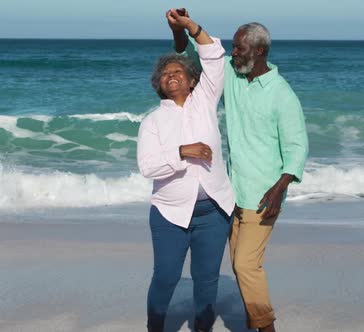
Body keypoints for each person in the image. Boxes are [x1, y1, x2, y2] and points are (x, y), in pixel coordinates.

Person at [172, 10, 309, 332]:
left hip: (264, 194)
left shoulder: (281, 94)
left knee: (246, 265)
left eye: (240, 48)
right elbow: (191, 54)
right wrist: (182, 28)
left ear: (259, 50)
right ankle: (254, 322)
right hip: (231, 191)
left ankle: (266, 327)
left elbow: (297, 147)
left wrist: (280, 189)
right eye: (233, 47)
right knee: (241, 265)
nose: (234, 53)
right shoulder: (233, 78)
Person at [137, 9, 235, 332]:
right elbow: (147, 165)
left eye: (179, 70)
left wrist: (190, 27)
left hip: (214, 212)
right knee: (166, 277)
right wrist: (183, 151)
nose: (172, 75)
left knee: (207, 281)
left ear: (193, 80)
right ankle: (155, 326)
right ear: (160, 85)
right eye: (166, 74)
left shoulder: (205, 100)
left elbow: (214, 56)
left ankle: (202, 328)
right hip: (169, 213)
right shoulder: (152, 121)